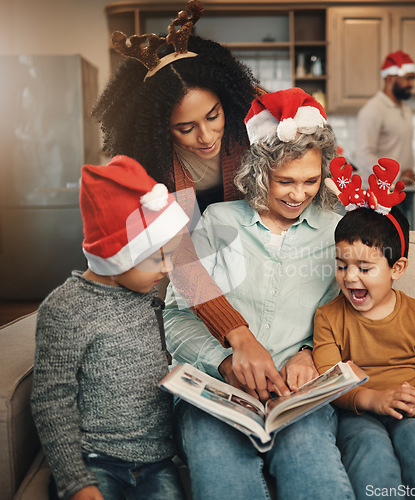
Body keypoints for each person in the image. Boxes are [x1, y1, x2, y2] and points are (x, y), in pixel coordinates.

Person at [92, 0, 288, 402]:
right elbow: (179, 255)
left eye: (213, 115)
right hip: (187, 270)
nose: (206, 136)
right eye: (185, 127)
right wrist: (237, 333)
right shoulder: (148, 166)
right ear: (160, 128)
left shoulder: (251, 119)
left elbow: (311, 163)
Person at [164, 88, 354, 500]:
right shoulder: (217, 221)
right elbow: (177, 317)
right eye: (284, 180)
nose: (298, 194)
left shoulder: (334, 233)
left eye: (310, 180)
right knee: (221, 474)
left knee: (314, 470)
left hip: (296, 397)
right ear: (258, 172)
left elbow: (344, 316)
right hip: (217, 394)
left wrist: (309, 352)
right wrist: (225, 361)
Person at [31, 156, 190, 500]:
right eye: (156, 258)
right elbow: (51, 401)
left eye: (171, 254)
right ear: (115, 255)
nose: (168, 268)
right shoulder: (65, 309)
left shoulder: (146, 294)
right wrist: (77, 482)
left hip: (157, 462)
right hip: (95, 461)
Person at [313, 158, 415, 499]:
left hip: (411, 406)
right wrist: (372, 399)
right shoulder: (328, 316)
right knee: (371, 455)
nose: (350, 277)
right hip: (358, 411)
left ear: (397, 268)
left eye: (364, 267)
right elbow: (330, 380)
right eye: (341, 265)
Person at [354, 50, 415, 186]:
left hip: (403, 189)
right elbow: (363, 155)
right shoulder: (373, 110)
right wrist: (397, 176)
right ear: (390, 78)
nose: (412, 84)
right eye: (408, 78)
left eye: (413, 78)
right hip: (378, 193)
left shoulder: (405, 109)